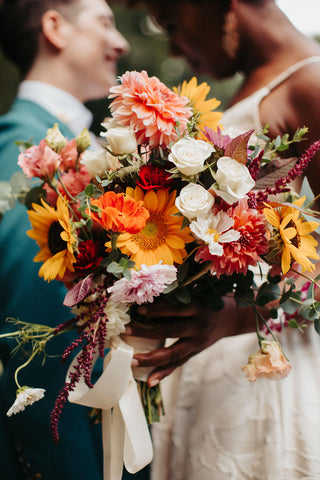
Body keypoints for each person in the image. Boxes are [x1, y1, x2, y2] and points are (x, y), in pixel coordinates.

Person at [121, 0, 320, 478]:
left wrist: (235, 317)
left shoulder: (310, 84)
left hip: (262, 377)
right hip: (201, 376)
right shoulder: (250, 88)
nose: (173, 45)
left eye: (170, 22)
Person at [0, 1, 148, 479]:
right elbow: (37, 336)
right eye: (104, 22)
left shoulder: (78, 144)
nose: (121, 42)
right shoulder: (25, 153)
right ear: (55, 27)